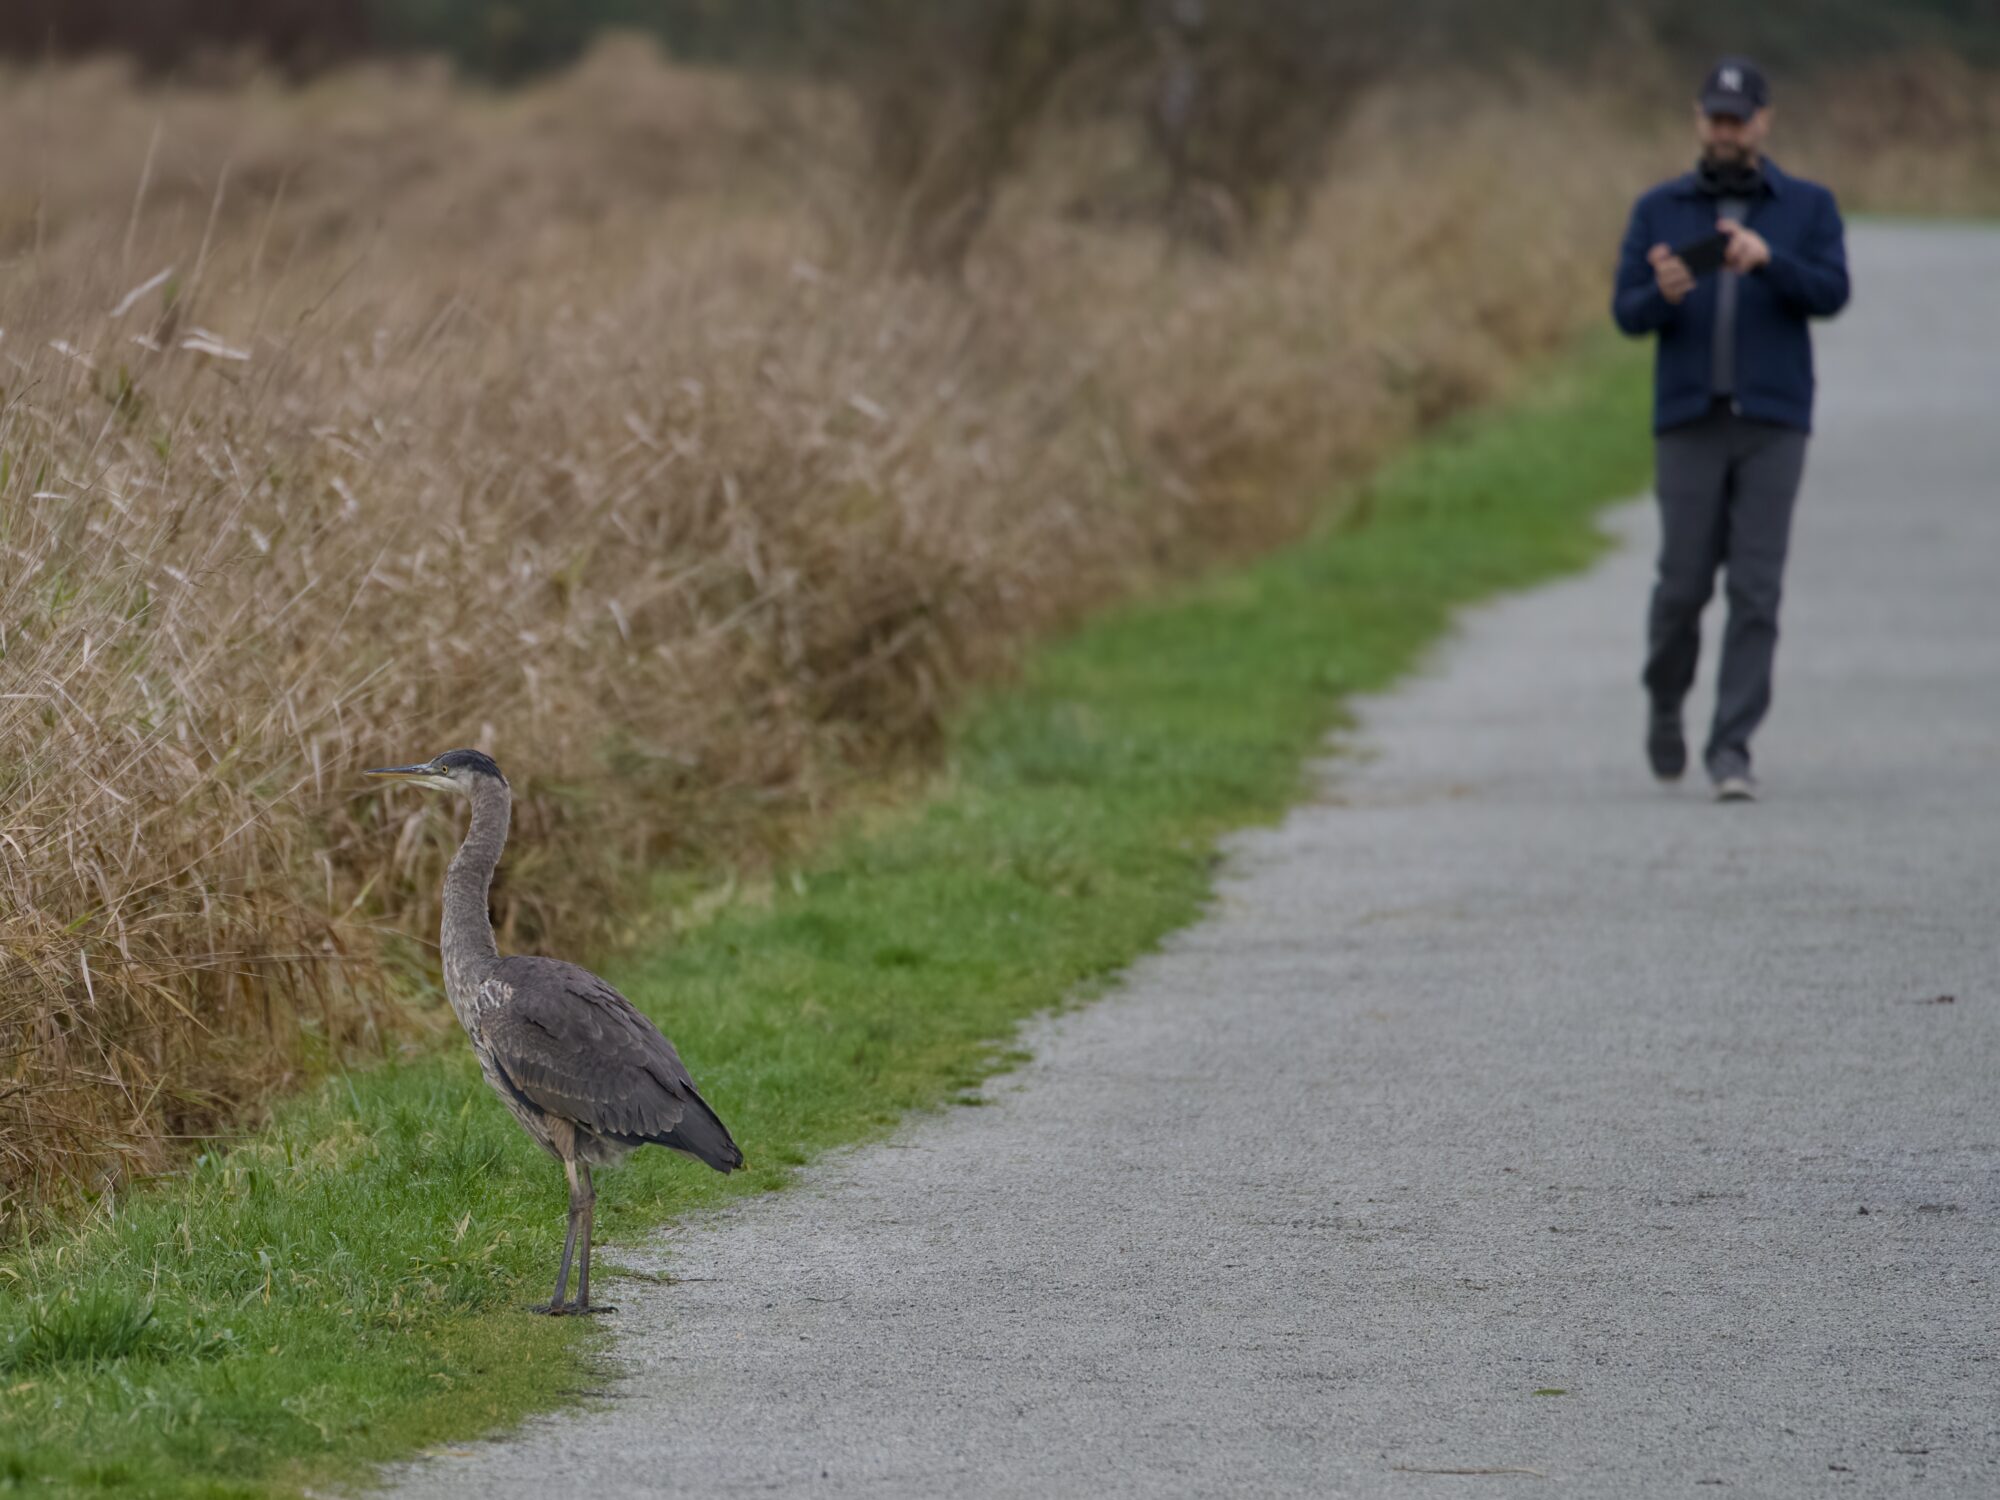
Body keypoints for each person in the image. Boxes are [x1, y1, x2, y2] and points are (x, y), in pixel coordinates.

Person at [1612, 57, 1850, 801]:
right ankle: (1664, 704)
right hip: (1687, 420)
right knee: (1682, 587)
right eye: (1714, 116)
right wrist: (1665, 291)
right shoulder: (1660, 209)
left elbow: (1832, 292)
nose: (1725, 129)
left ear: (1763, 122)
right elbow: (1626, 313)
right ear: (1697, 119)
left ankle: (1731, 749)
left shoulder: (1806, 207)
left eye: (1737, 117)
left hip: (1774, 422)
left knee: (1757, 590)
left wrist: (1769, 262)